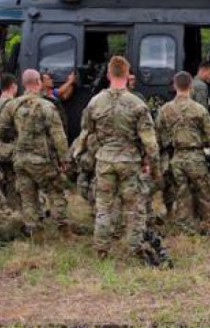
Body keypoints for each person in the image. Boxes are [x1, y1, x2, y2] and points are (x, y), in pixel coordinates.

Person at [80, 55, 160, 259]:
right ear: (127, 74)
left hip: (105, 160)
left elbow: (86, 133)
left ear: (108, 74)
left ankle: (101, 250)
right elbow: (150, 143)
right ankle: (134, 249)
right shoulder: (137, 104)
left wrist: (85, 159)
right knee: (134, 208)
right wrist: (155, 169)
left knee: (104, 206)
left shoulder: (94, 103)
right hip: (129, 161)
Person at [0, 68, 69, 235]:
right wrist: (64, 159)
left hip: (20, 160)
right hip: (42, 160)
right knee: (56, 192)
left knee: (28, 197)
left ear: (23, 85)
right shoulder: (47, 106)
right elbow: (58, 136)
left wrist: (16, 138)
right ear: (38, 83)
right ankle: (63, 229)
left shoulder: (12, 106)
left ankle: (34, 232)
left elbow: (2, 129)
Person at [156, 71, 210, 235]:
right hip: (196, 157)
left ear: (174, 85)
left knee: (182, 193)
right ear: (191, 86)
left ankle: (186, 227)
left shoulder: (165, 110)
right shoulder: (199, 109)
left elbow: (158, 135)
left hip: (177, 157)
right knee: (205, 192)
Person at [0, 73, 18, 207]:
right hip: (9, 149)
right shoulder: (13, 105)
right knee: (12, 180)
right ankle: (12, 209)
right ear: (13, 86)